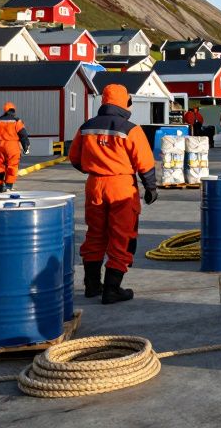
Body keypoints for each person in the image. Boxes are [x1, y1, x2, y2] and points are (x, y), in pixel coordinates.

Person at [70, 84, 157, 305]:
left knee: (95, 234)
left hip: (95, 185)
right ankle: (112, 289)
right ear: (125, 102)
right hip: (121, 186)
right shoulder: (131, 129)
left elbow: (75, 158)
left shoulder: (86, 127)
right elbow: (144, 162)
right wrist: (151, 188)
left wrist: (95, 170)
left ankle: (91, 285)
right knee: (123, 237)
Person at [0, 102, 30, 193]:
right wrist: (26, 147)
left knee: (0, 166)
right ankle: (8, 186)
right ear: (13, 110)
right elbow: (23, 135)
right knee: (12, 166)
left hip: (0, 145)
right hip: (12, 146)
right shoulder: (17, 121)